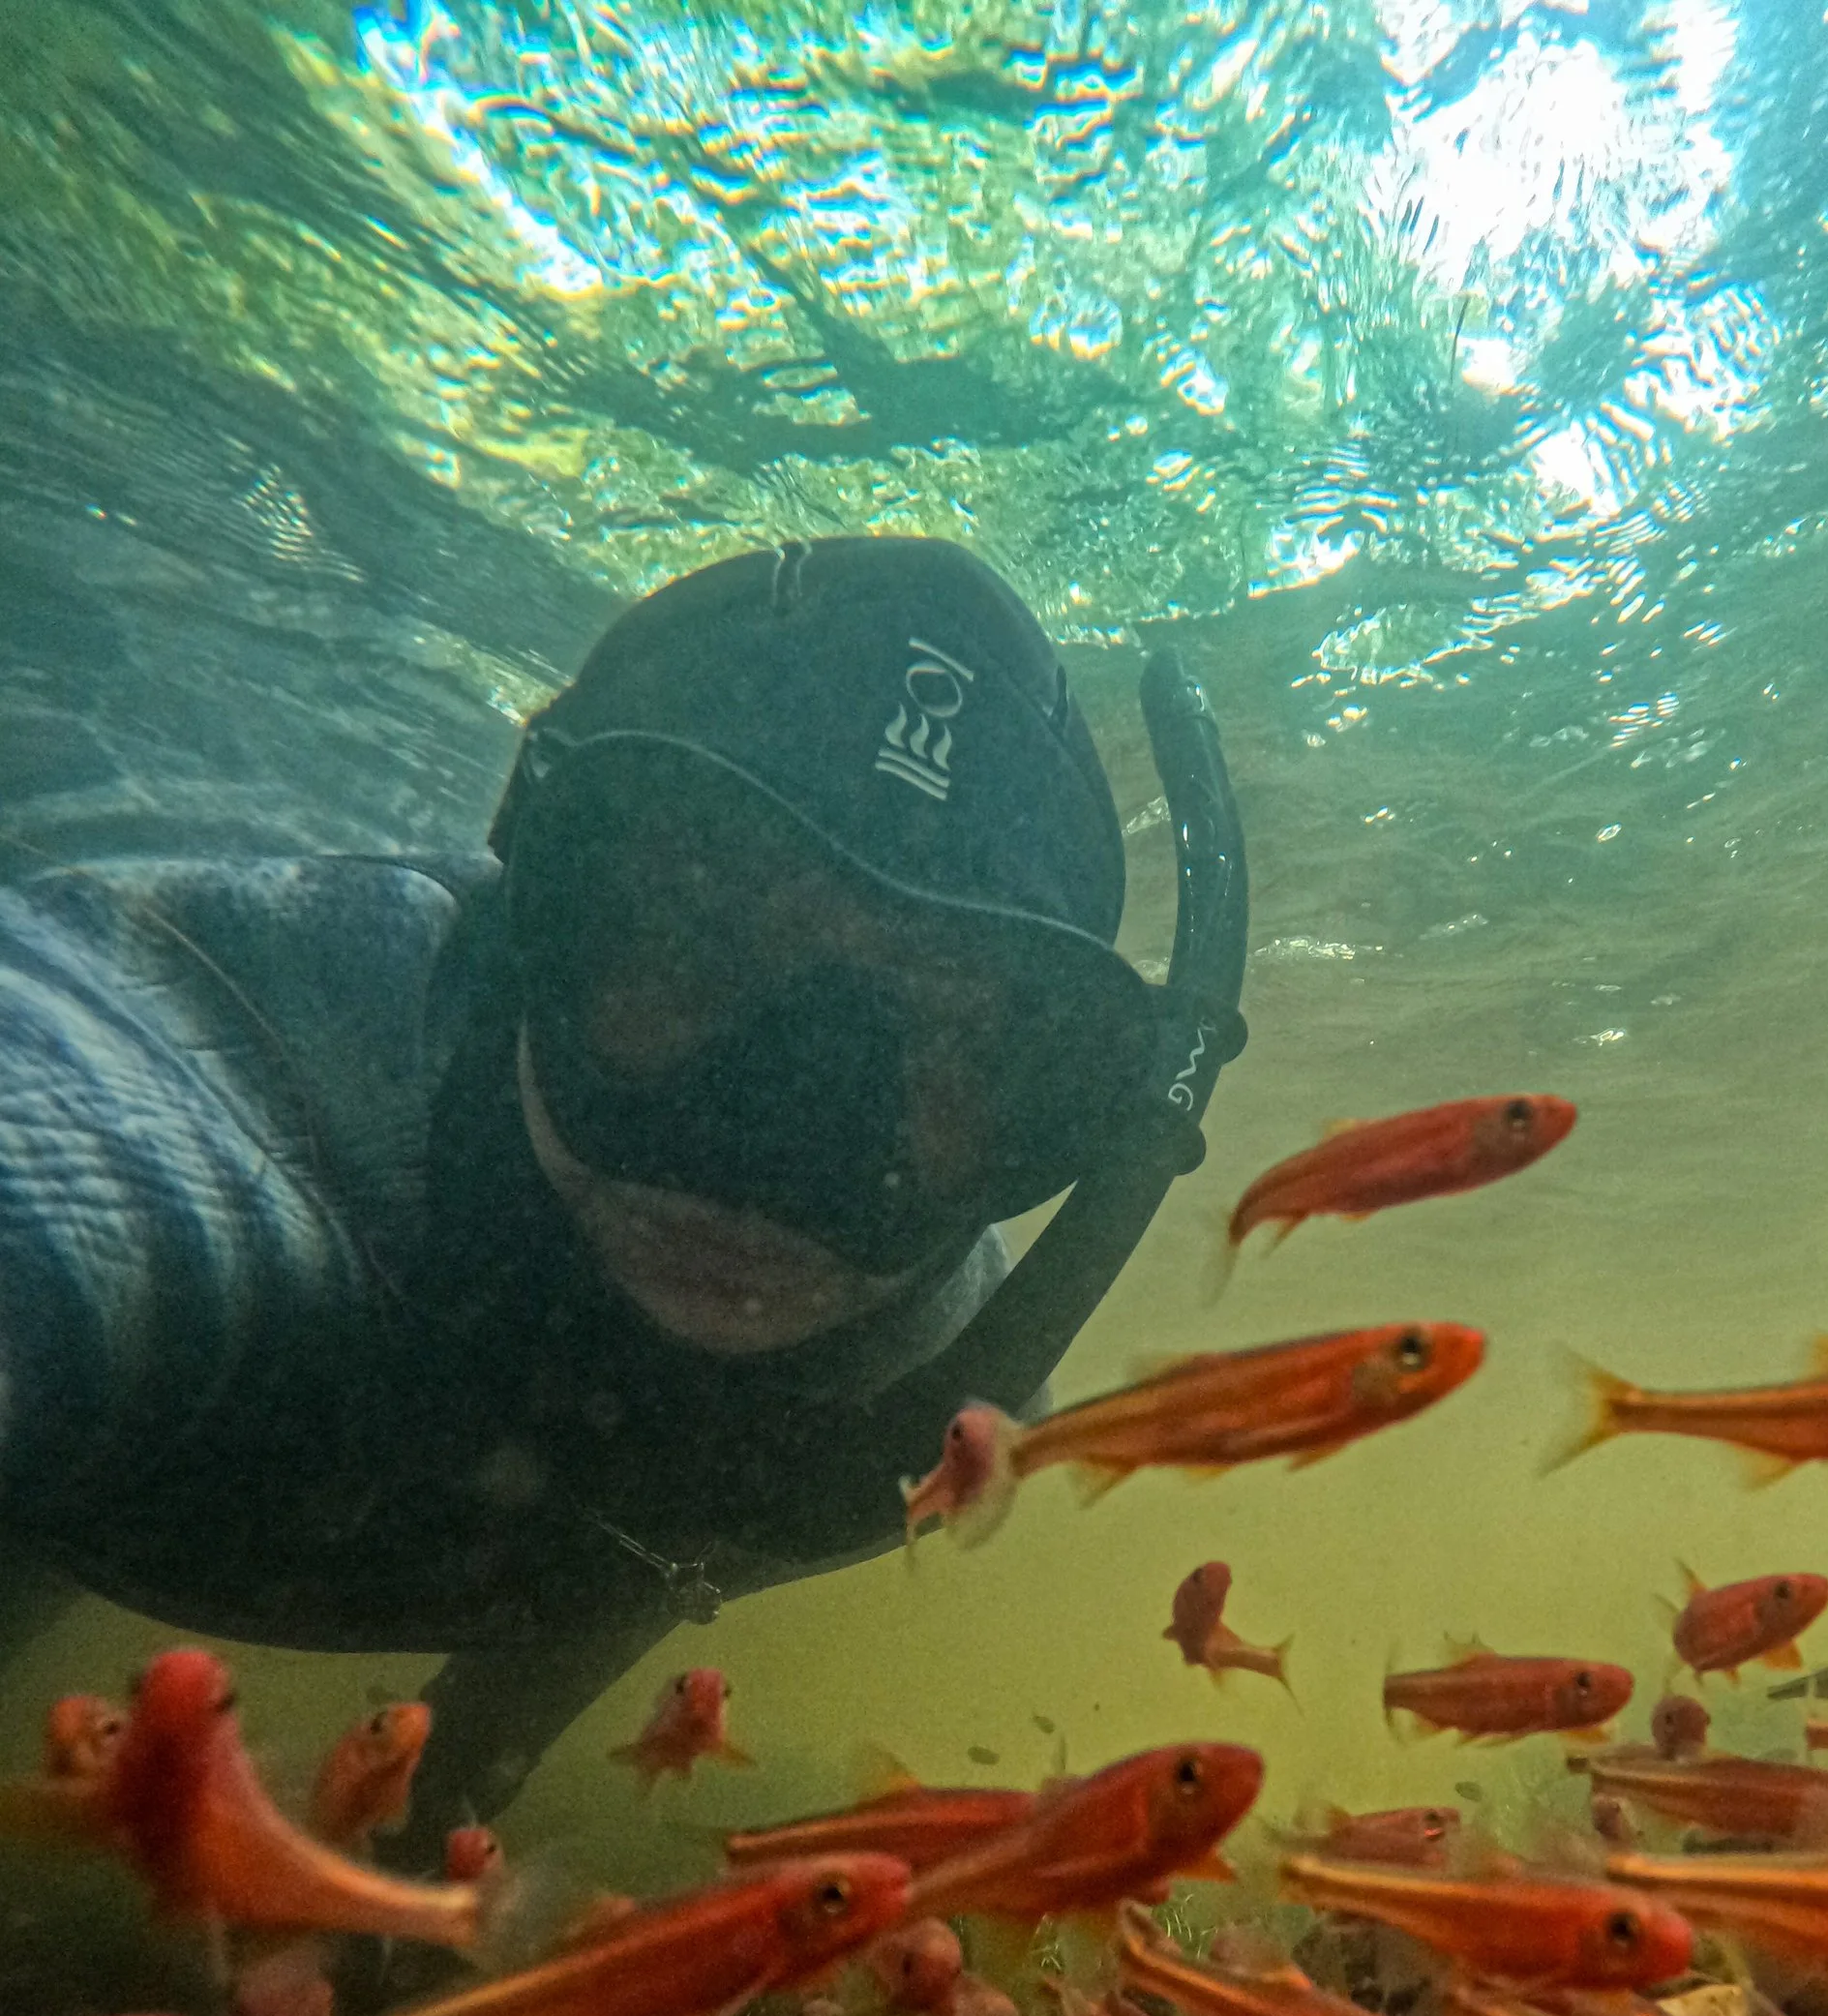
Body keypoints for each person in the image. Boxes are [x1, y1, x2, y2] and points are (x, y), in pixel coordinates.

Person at [0, 538, 1248, 1856]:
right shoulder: (218, 1070)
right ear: (530, 906)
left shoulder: (942, 1397)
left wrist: (444, 1805)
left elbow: (665, 1530)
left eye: (968, 1038)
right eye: (691, 935)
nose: (784, 1144)